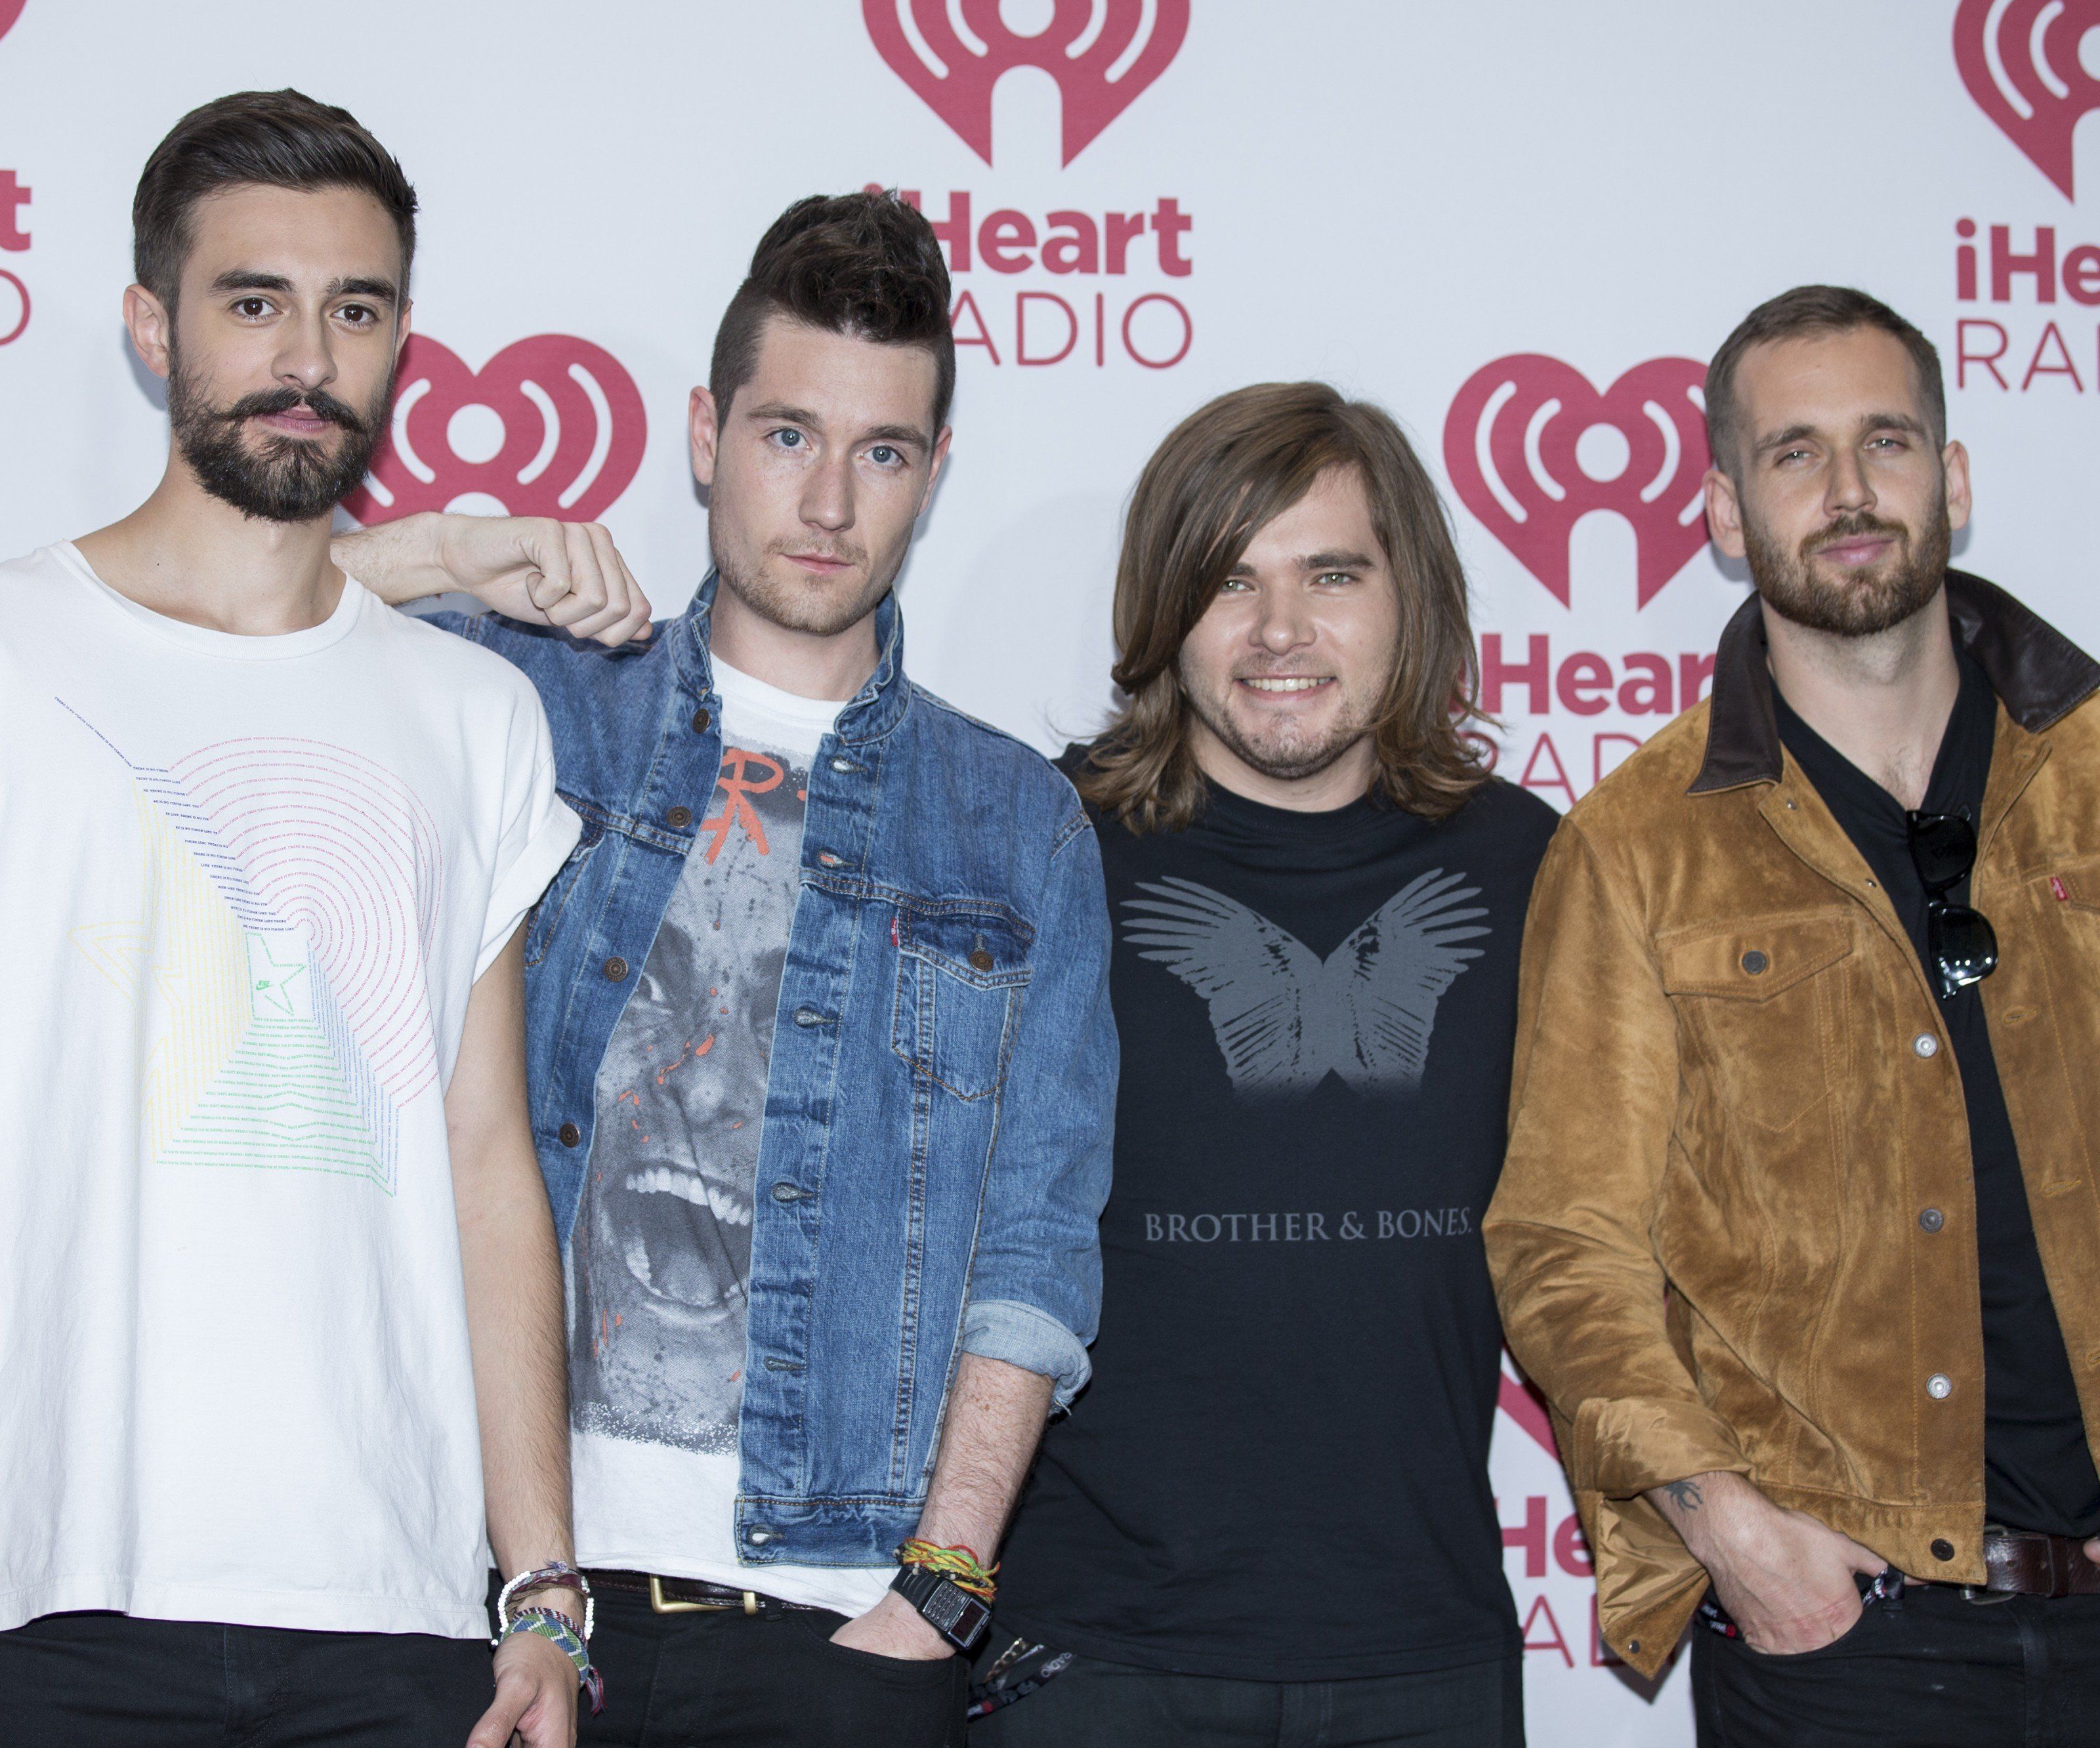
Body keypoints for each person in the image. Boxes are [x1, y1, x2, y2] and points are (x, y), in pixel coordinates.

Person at [337, 190, 1116, 1747]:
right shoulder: (528, 699)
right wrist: (448, 551)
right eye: (785, 435)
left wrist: (943, 1589)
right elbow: (235, 632)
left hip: (841, 1627)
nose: (827, 499)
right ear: (704, 434)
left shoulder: (1012, 822)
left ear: (934, 474)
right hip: (523, 1600)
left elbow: (1035, 1243)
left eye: (882, 452)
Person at [0, 91, 588, 1747]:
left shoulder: (478, 719)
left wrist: (540, 1589)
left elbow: (487, 1157)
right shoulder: (11, 654)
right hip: (56, 1591)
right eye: (253, 301)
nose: (306, 357)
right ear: (147, 324)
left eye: (357, 309)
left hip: (388, 1614)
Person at [1484, 285, 2100, 1743]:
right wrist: (1730, 1528)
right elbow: (1565, 1245)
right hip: (1849, 1646)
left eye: (1884, 441)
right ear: (1718, 508)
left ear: (1949, 478)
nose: (1846, 492)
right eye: (1792, 453)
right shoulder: (1636, 848)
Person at [950, 382, 1555, 1746]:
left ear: (1412, 600)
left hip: (1423, 1656)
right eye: (1230, 581)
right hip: (1085, 1658)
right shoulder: (1043, 853)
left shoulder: (1532, 869)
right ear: (1165, 613)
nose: (1281, 632)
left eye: (1330, 574)